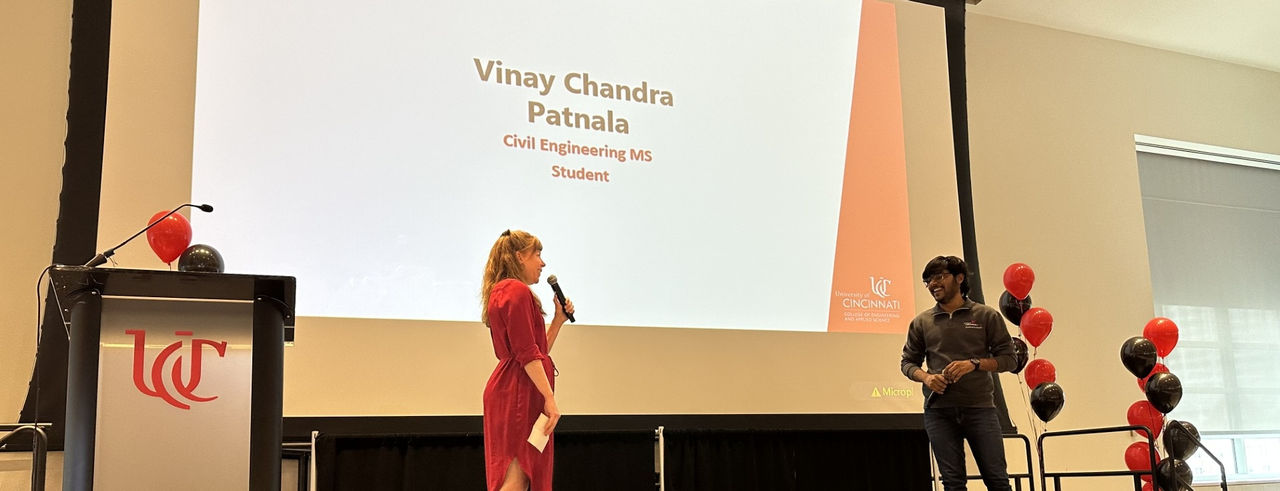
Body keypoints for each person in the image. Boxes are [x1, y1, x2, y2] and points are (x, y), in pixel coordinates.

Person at [900, 255, 1016, 491]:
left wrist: (973, 364)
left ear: (959, 278)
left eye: (939, 277)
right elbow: (907, 363)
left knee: (997, 480)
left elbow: (1009, 360)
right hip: (938, 412)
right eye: (928, 280)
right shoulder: (922, 322)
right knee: (952, 483)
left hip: (980, 409)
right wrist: (927, 378)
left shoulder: (986, 316)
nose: (933, 284)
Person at [480, 229, 574, 491]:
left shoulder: (506, 290)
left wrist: (557, 321)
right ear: (520, 256)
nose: (542, 263)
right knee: (516, 477)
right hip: (518, 393)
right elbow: (526, 353)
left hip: (517, 389)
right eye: (537, 254)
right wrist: (550, 398)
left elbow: (535, 350)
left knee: (520, 476)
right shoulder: (515, 290)